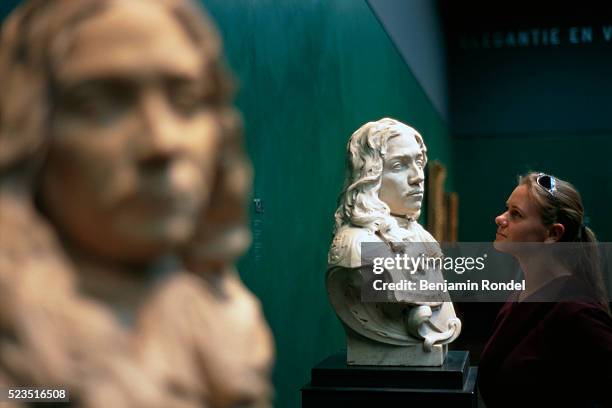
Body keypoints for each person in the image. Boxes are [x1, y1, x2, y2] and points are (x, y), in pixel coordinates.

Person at [0, 1, 273, 407]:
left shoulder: (229, 323)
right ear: (31, 133)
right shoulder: (19, 348)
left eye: (186, 100)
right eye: (96, 104)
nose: (161, 143)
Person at [327, 118, 461, 366]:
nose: (418, 177)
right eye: (399, 165)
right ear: (369, 177)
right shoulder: (358, 246)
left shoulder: (421, 237)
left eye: (418, 163)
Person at [478, 172, 612, 407]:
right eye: (506, 209)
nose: (500, 218)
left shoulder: (577, 312)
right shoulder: (519, 296)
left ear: (553, 233)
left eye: (515, 214)